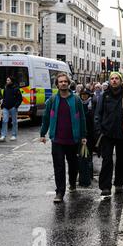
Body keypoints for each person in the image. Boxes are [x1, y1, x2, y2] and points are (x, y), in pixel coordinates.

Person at [40, 73, 87, 204]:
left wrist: (83, 135)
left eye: (65, 81)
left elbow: (82, 118)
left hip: (73, 139)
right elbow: (46, 118)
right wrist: (42, 134)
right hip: (57, 140)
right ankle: (60, 192)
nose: (63, 83)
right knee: (59, 166)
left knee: (73, 165)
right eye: (60, 82)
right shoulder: (53, 100)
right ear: (57, 84)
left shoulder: (76, 100)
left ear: (68, 83)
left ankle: (72, 182)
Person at [94, 72, 123, 198]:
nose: (114, 81)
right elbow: (98, 114)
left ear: (121, 80)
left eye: (116, 78)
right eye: (112, 78)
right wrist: (98, 131)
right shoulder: (104, 95)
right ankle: (105, 187)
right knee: (107, 160)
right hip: (107, 133)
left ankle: (119, 183)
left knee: (121, 160)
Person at [0, 77, 22, 142]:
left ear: (11, 81)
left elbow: (20, 99)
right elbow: (4, 97)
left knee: (14, 122)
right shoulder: (5, 88)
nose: (7, 81)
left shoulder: (16, 89)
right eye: (6, 80)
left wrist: (15, 106)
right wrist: (3, 104)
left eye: (8, 80)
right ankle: (3, 135)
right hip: (5, 107)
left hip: (13, 108)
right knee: (4, 121)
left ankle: (14, 135)